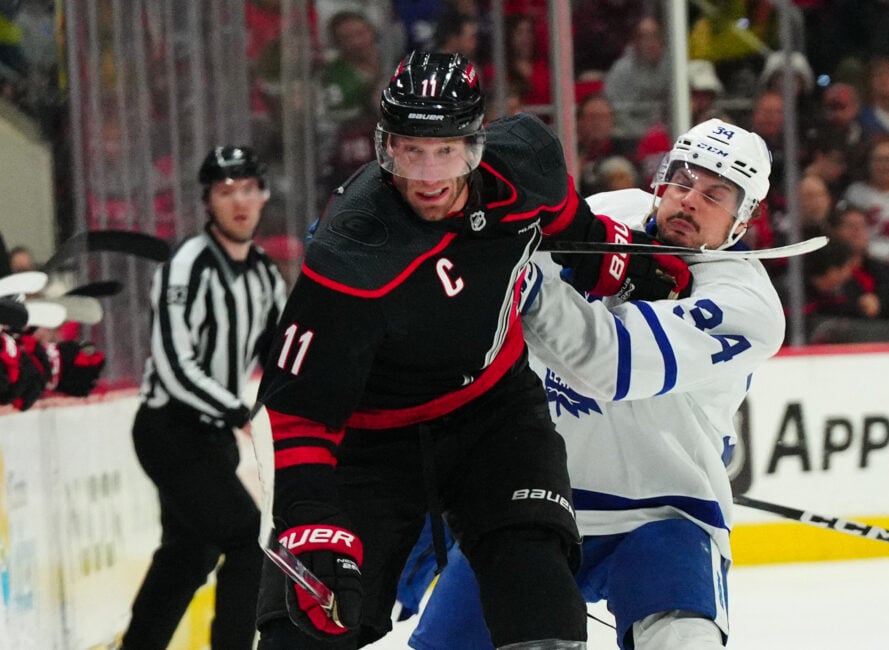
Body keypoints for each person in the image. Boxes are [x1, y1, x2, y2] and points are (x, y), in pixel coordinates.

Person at [253, 51, 691, 650]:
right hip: (371, 443)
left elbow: (573, 230)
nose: (429, 176)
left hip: (494, 417)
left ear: (476, 144)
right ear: (385, 147)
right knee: (302, 633)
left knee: (539, 600)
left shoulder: (526, 160)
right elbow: (297, 411)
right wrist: (310, 520)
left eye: (447, 151)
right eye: (410, 151)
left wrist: (626, 266)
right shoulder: (351, 252)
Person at [409, 118, 785, 649]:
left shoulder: (747, 305)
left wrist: (521, 280)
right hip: (532, 500)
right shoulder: (610, 213)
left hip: (664, 511)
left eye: (716, 194)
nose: (690, 199)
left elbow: (610, 364)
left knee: (684, 641)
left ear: (744, 219)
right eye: (684, 179)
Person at [121, 145, 287, 650]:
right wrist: (239, 411)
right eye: (225, 190)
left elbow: (281, 354)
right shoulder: (186, 265)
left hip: (213, 439)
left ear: (264, 196)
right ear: (208, 201)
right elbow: (174, 365)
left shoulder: (264, 274)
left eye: (248, 189)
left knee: (188, 553)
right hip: (169, 430)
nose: (239, 201)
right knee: (248, 541)